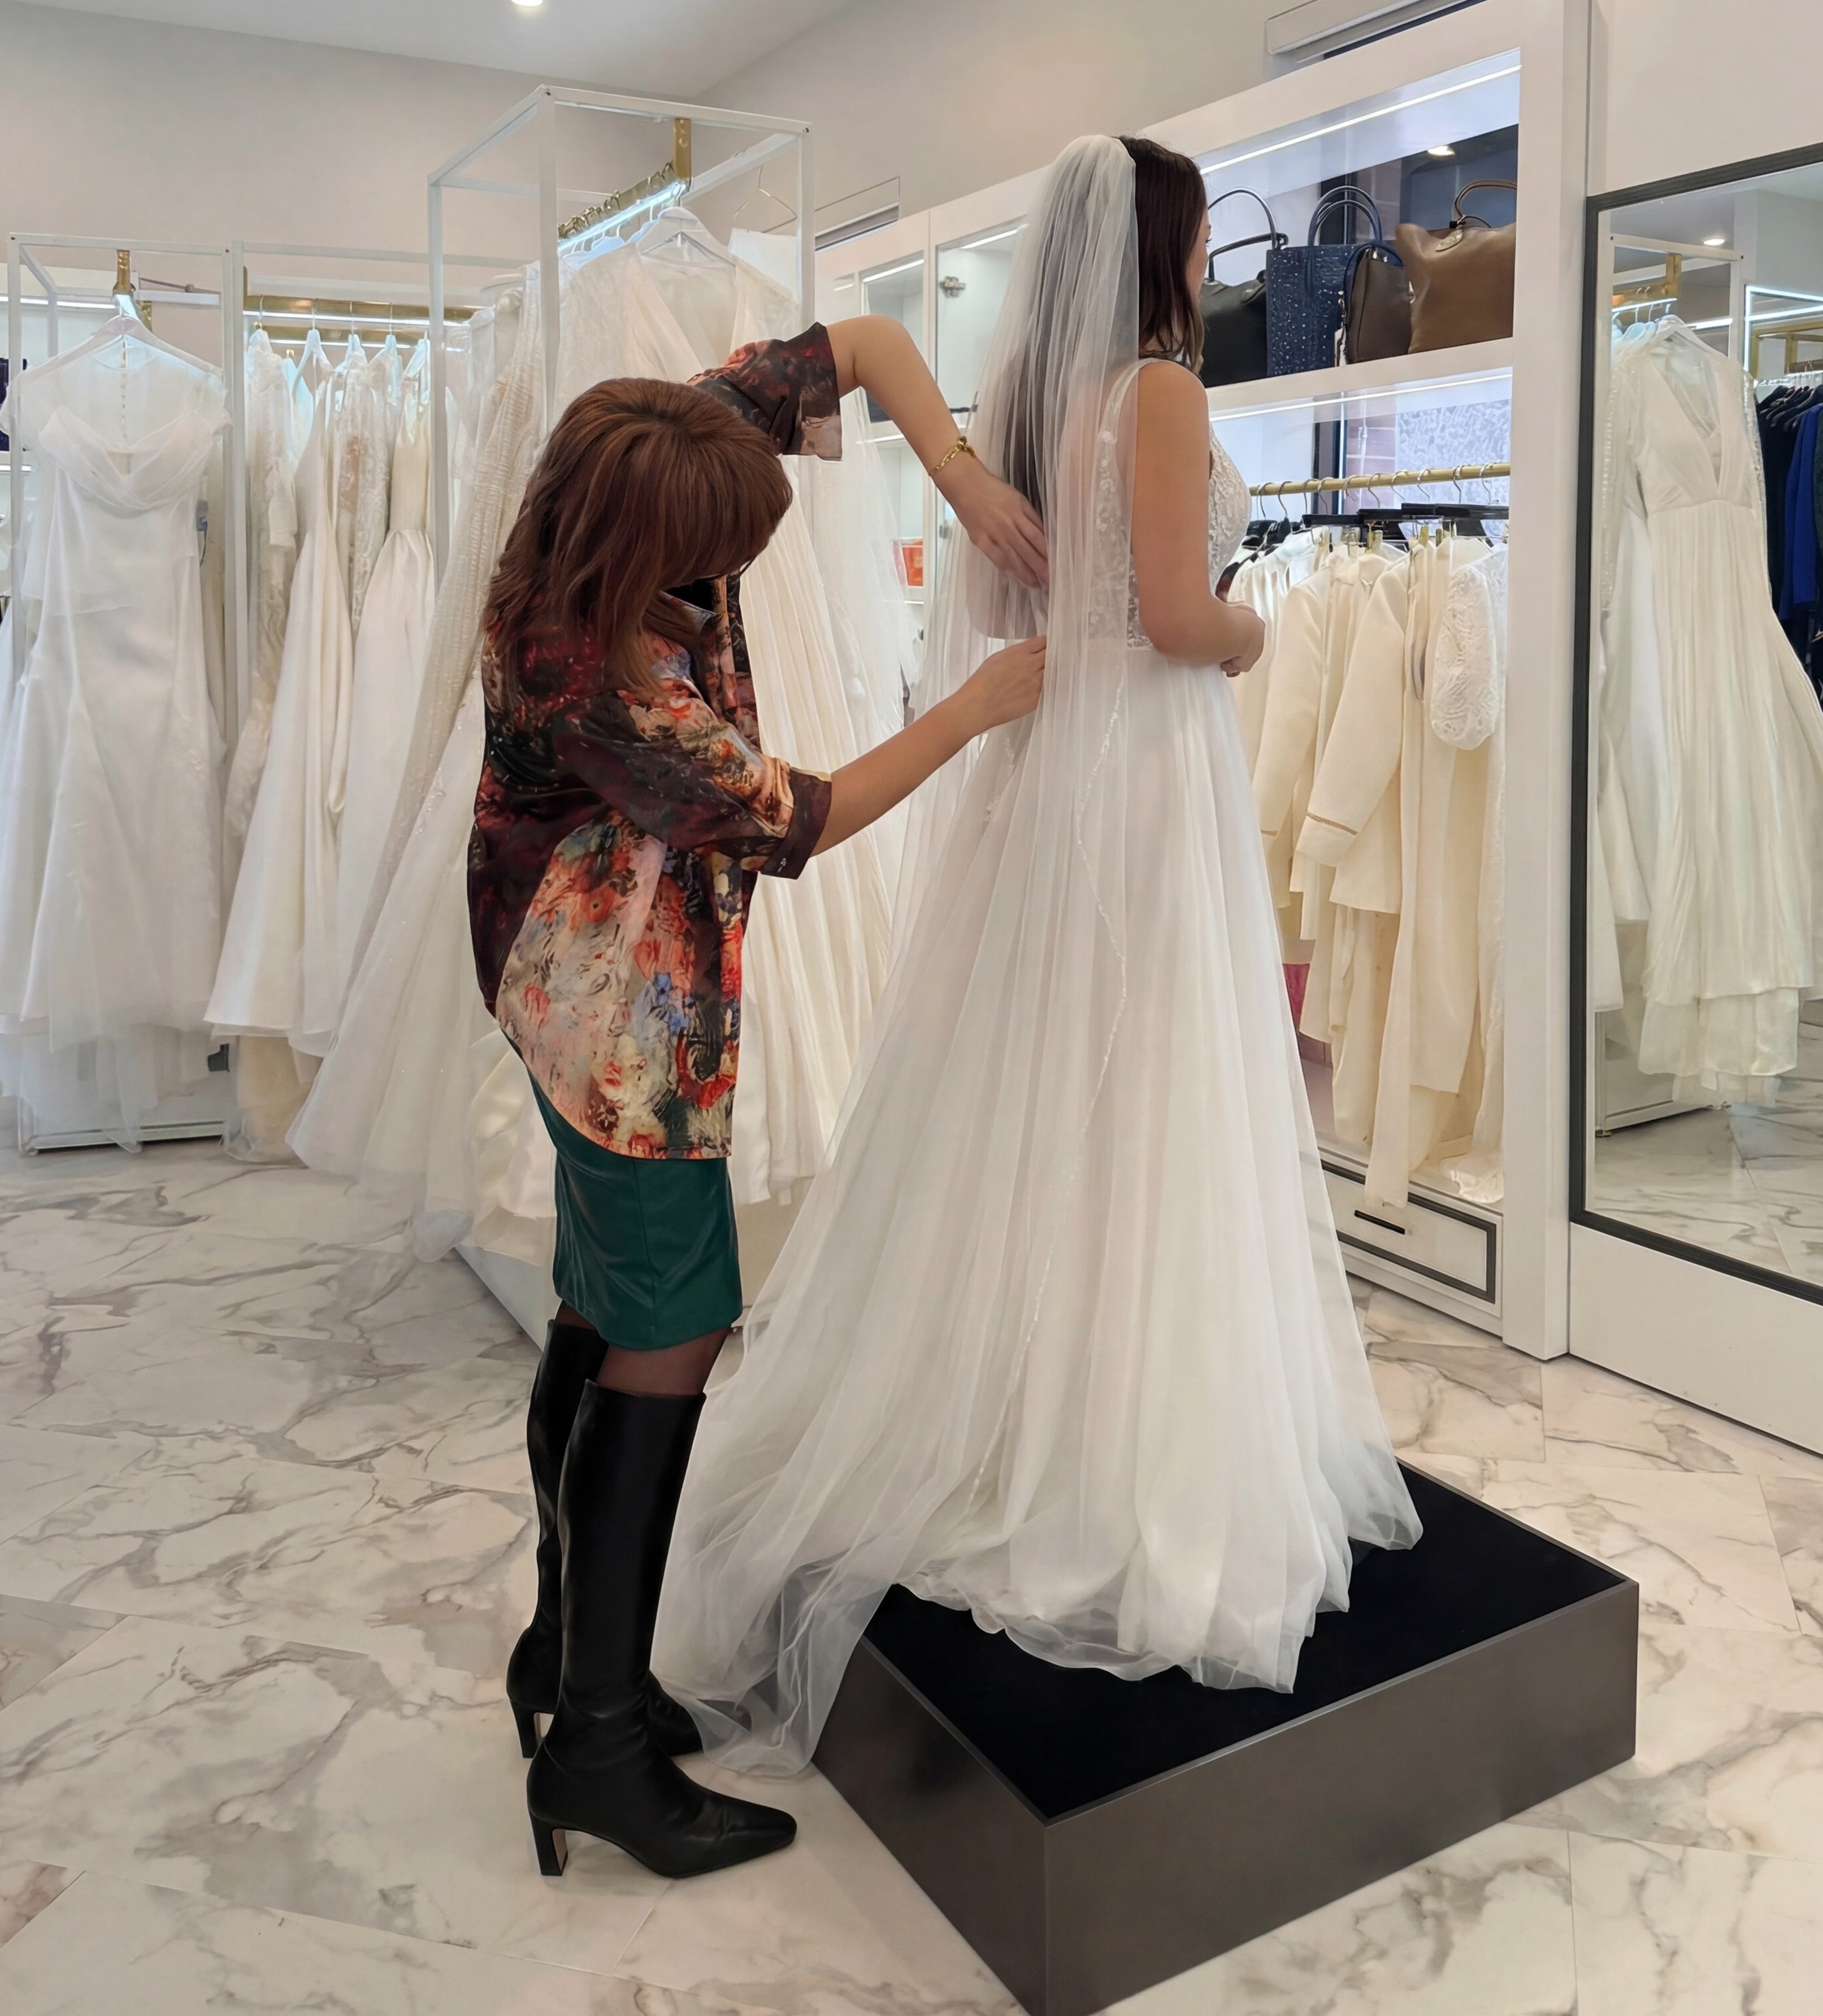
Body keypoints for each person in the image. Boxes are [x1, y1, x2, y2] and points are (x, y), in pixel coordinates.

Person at [653, 135, 1422, 1776]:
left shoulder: (1045, 407)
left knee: (1055, 1095)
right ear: (1161, 242)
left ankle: (1029, 1407)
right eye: (1204, 230)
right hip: (1139, 769)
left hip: (1064, 772)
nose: (1215, 254)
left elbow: (1065, 596)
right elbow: (1161, 611)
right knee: (1141, 1092)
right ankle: (1112, 1443)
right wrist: (1255, 622)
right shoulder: (1151, 393)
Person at [468, 323, 1047, 1882]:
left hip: (582, 980)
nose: (736, 574)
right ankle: (596, 1743)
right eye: (718, 561)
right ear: (651, 545)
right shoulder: (599, 683)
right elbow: (802, 816)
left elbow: (857, 346)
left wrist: (964, 475)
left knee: (607, 1309)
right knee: (673, 1325)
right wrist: (980, 703)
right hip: (611, 1019)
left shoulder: (655, 449)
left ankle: (569, 1669)